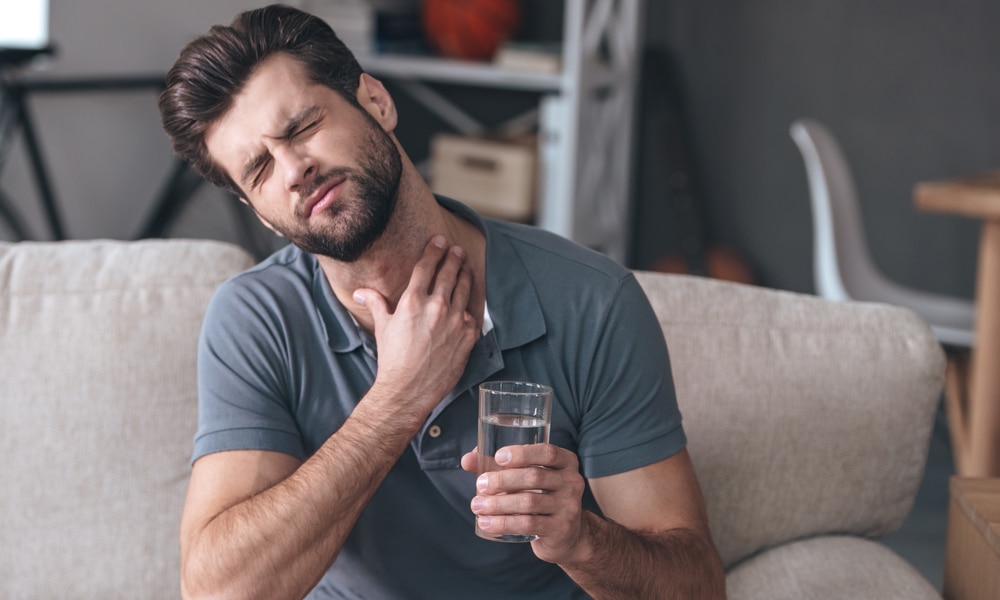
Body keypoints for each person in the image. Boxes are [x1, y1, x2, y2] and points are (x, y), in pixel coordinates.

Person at [158, 4, 725, 599]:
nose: (294, 168)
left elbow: (699, 588)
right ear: (259, 212)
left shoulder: (590, 301)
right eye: (259, 168)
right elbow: (219, 592)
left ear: (376, 101)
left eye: (301, 127)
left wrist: (581, 538)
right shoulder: (256, 320)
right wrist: (397, 400)